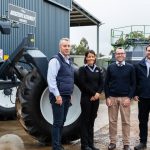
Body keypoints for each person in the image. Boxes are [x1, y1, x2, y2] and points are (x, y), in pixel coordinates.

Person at [104, 47, 136, 150]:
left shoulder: (131, 68)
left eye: (122, 53)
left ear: (125, 55)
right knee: (112, 121)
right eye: (118, 53)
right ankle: (112, 142)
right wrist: (107, 97)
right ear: (115, 55)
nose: (120, 55)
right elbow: (106, 83)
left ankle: (126, 144)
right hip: (112, 98)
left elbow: (133, 84)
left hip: (125, 99)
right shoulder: (111, 67)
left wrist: (129, 97)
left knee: (126, 122)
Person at [47, 38, 74, 150]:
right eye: (64, 46)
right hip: (58, 97)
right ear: (60, 47)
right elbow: (51, 79)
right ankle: (56, 146)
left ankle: (58, 144)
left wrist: (69, 93)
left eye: (68, 46)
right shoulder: (55, 60)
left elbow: (68, 79)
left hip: (66, 96)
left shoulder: (68, 61)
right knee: (57, 122)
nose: (67, 48)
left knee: (62, 121)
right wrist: (57, 95)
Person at [78, 50, 104, 150]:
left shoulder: (98, 69)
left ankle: (91, 144)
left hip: (96, 99)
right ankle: (84, 145)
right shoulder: (82, 69)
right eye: (89, 56)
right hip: (86, 98)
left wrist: (98, 93)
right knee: (85, 121)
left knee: (92, 121)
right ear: (86, 58)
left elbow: (102, 83)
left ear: (95, 58)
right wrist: (93, 94)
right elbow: (82, 84)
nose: (91, 58)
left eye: (93, 56)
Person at [134, 44, 150, 150]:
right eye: (149, 50)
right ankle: (143, 142)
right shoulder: (139, 65)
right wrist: (135, 93)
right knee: (143, 121)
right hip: (143, 98)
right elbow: (135, 81)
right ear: (146, 51)